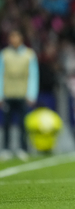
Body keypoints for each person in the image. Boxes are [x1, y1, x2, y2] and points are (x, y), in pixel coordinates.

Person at [0, 30, 39, 161]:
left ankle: (23, 149)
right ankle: (5, 149)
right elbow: (0, 74)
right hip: (8, 94)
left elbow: (33, 75)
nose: (14, 39)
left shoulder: (29, 55)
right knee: (6, 123)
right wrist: (0, 95)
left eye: (16, 37)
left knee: (23, 124)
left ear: (21, 39)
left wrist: (31, 94)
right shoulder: (4, 55)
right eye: (11, 37)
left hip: (23, 94)